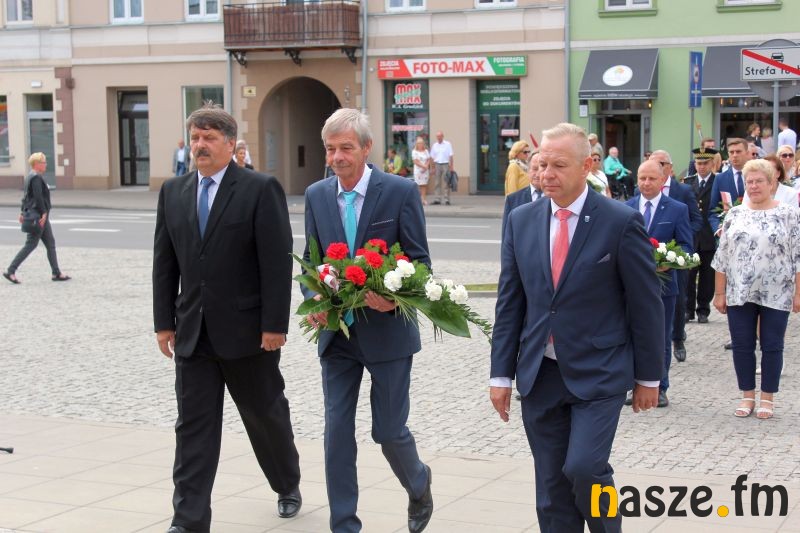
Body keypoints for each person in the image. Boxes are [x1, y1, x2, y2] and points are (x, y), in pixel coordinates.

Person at [490, 123, 663, 533]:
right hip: (540, 374)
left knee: (585, 468)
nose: (546, 174)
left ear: (586, 166)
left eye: (558, 165)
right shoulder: (521, 220)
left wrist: (649, 377)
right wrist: (500, 374)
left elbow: (645, 305)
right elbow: (510, 301)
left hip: (599, 371)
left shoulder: (620, 221)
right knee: (551, 488)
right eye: (541, 164)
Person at [152, 104, 301, 533]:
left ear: (231, 144)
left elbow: (276, 262)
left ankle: (286, 483)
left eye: (209, 138)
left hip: (248, 335)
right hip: (193, 335)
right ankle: (188, 520)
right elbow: (165, 262)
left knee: (265, 416)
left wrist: (275, 325)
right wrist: (164, 322)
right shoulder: (173, 192)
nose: (200, 145)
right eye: (195, 137)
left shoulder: (259, 189)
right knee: (193, 429)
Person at [302, 108, 433, 533]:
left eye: (346, 148)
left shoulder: (399, 192)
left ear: (367, 148)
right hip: (337, 335)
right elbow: (310, 262)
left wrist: (392, 300)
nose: (337, 157)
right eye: (330, 149)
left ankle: (418, 482)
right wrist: (313, 297)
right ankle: (344, 524)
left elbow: (420, 263)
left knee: (388, 431)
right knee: (337, 431)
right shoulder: (316, 195)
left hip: (387, 334)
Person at [712, 158, 800, 420]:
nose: (754, 186)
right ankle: (747, 395)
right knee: (742, 344)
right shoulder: (735, 214)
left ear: (772, 183)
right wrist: (719, 293)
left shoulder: (789, 214)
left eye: (759, 181)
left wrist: (798, 292)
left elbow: (798, 255)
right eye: (749, 182)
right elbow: (722, 256)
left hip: (777, 291)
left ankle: (768, 397)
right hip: (740, 291)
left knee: (772, 345)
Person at [626, 160, 693, 408]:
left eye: (651, 178)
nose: (646, 183)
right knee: (629, 335)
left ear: (663, 180)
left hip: (663, 286)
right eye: (642, 178)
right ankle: (631, 384)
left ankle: (660, 386)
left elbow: (686, 246)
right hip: (630, 286)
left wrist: (668, 261)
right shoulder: (626, 207)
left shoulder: (677, 209)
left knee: (660, 338)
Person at [649, 150, 702, 363]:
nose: (657, 166)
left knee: (678, 301)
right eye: (653, 162)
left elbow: (696, 220)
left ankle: (678, 338)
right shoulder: (641, 191)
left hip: (674, 258)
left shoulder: (683, 190)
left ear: (670, 167)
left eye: (661, 163)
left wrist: (678, 247)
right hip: (648, 261)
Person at [3, 153, 70, 284]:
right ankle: (11, 271)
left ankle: (56, 273)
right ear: (37, 164)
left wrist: (22, 211)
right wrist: (44, 213)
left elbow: (26, 197)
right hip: (38, 217)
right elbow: (38, 197)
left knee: (50, 243)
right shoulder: (36, 178)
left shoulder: (30, 176)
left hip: (38, 215)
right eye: (43, 162)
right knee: (31, 244)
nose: (46, 164)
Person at [683, 147, 719, 324]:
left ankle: (703, 309)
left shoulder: (717, 181)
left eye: (705, 163)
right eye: (699, 163)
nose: (702, 166)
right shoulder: (688, 182)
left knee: (707, 276)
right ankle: (687, 309)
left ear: (712, 163)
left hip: (709, 235)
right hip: (691, 235)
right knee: (689, 275)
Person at [710, 138, 750, 235]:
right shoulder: (720, 179)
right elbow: (713, 211)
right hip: (728, 233)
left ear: (747, 153)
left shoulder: (756, 176)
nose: (735, 155)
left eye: (738, 151)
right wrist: (718, 228)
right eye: (731, 152)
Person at [501, 151, 543, 239]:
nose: (538, 174)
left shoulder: (556, 198)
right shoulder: (513, 200)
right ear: (528, 170)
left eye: (542, 169)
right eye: (535, 169)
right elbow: (507, 237)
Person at [430, 130, 454, 205]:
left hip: (445, 164)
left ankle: (446, 199)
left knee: (446, 182)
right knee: (437, 182)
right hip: (437, 164)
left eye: (440, 136)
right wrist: (433, 167)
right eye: (437, 136)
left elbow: (451, 155)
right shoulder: (434, 145)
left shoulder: (447, 144)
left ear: (443, 136)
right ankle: (437, 199)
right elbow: (432, 157)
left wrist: (451, 166)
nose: (439, 137)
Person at [411, 136, 431, 205]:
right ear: (417, 144)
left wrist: (426, 166)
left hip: (425, 171)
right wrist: (424, 166)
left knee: (424, 185)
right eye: (419, 143)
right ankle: (418, 200)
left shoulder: (426, 151)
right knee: (418, 185)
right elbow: (415, 161)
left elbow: (428, 159)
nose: (420, 144)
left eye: (421, 143)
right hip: (418, 171)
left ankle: (423, 199)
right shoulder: (414, 151)